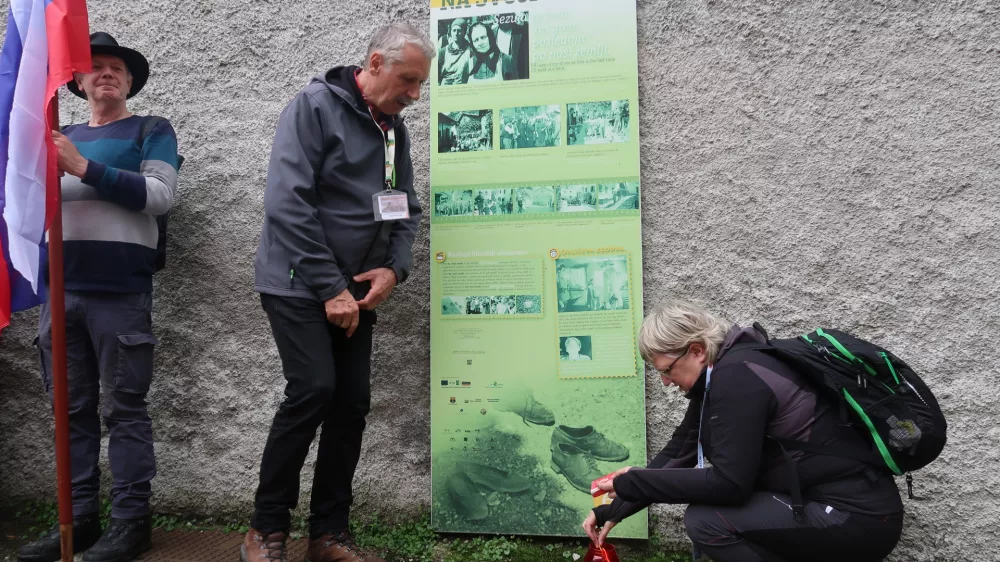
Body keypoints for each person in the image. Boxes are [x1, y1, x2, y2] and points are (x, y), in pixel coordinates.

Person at [244, 23, 432, 562]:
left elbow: (405, 207)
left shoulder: (393, 128)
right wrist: (330, 287)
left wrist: (393, 269)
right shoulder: (313, 108)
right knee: (313, 391)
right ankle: (265, 527)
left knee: (350, 404)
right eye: (408, 80)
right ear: (374, 63)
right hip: (298, 283)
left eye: (421, 84)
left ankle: (328, 535)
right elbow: (287, 203)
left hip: (356, 291)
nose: (415, 94)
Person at [17, 32, 180, 562]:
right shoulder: (56, 136)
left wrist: (83, 167)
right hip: (59, 292)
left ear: (129, 81)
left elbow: (159, 196)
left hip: (121, 293)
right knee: (70, 409)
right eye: (95, 67)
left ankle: (132, 523)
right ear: (77, 82)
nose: (106, 73)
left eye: (116, 68)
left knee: (125, 409)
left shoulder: (151, 130)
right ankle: (79, 519)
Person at [582, 300, 904, 562]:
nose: (665, 382)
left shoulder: (736, 379)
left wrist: (632, 480)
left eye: (666, 370)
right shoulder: (725, 372)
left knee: (705, 521)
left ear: (696, 350)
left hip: (855, 518)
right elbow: (680, 450)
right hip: (832, 506)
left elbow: (730, 484)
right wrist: (619, 506)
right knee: (708, 514)